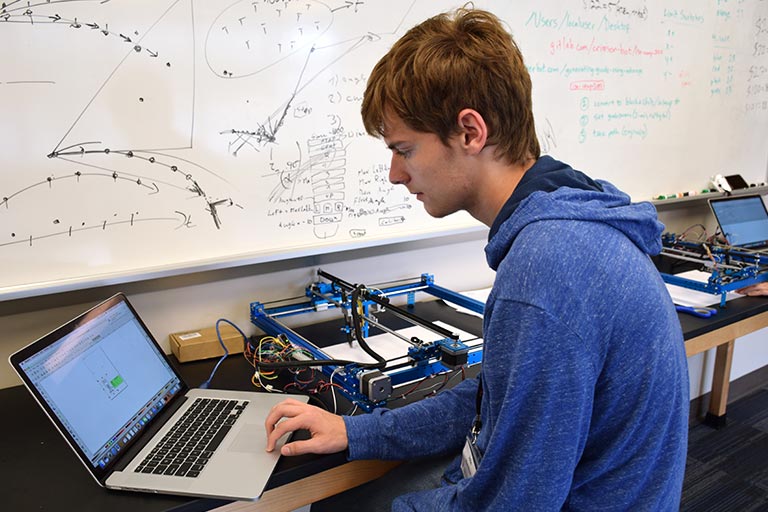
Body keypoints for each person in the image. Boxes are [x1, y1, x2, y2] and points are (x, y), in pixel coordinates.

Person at [266, 7, 689, 511]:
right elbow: (497, 397)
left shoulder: (544, 271)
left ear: (470, 132)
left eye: (404, 149)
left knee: (344, 504)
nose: (394, 174)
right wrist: (356, 432)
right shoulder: (572, 212)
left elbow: (517, 503)